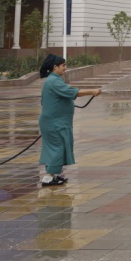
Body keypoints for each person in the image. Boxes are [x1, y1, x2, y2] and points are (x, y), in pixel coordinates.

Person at [38, 54, 100, 187]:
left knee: (55, 147)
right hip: (53, 122)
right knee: (57, 147)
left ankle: (53, 175)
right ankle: (48, 177)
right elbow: (73, 92)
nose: (65, 68)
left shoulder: (53, 80)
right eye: (63, 65)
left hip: (54, 121)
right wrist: (93, 91)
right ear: (55, 67)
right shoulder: (53, 81)